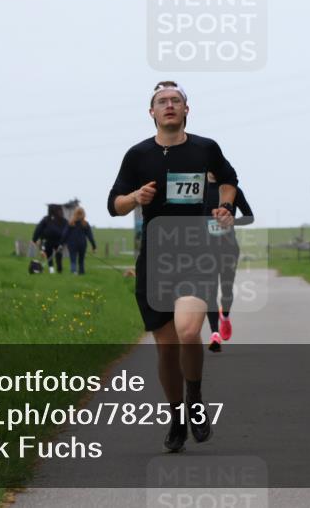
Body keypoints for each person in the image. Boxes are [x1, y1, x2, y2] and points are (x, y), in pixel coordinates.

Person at [108, 81, 238, 453]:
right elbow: (113, 204)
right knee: (165, 348)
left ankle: (195, 398)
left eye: (175, 101)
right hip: (156, 258)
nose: (169, 106)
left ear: (186, 110)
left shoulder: (204, 149)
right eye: (162, 102)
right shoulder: (137, 155)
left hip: (196, 253)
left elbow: (229, 180)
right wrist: (134, 197)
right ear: (151, 112)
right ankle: (177, 415)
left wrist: (225, 208)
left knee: (187, 330)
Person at [203, 172, 254, 353]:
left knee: (225, 289)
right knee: (209, 290)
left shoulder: (232, 191)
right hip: (205, 250)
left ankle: (225, 316)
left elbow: (249, 216)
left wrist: (233, 220)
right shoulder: (198, 191)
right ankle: (214, 333)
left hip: (228, 248)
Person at [61, 206, 97, 275]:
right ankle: (81, 272)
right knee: (81, 260)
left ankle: (74, 272)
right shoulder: (85, 224)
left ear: (75, 213)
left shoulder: (71, 223)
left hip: (72, 244)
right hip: (82, 244)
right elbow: (90, 236)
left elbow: (64, 234)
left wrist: (61, 244)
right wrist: (94, 246)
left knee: (73, 259)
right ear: (84, 214)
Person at [32, 204, 67, 274]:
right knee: (58, 255)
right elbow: (67, 231)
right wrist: (65, 241)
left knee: (49, 254)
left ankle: (52, 269)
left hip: (48, 240)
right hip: (59, 241)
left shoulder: (46, 219)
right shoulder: (63, 220)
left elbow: (38, 229)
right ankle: (59, 269)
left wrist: (34, 239)